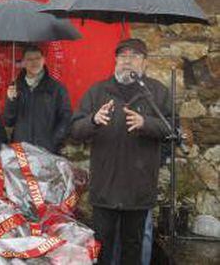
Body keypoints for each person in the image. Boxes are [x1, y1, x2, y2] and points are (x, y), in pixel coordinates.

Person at [71, 38, 171, 265]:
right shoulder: (97, 91)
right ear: (115, 60)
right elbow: (75, 130)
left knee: (132, 247)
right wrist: (93, 121)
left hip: (139, 186)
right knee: (102, 245)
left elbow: (171, 128)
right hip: (105, 186)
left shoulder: (156, 92)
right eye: (123, 56)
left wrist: (147, 123)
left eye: (135, 56)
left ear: (145, 63)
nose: (128, 61)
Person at [4, 45, 72, 154]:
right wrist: (11, 101)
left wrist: (53, 141)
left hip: (47, 151)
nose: (34, 62)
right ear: (24, 63)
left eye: (37, 58)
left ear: (43, 60)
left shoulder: (56, 89)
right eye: (30, 59)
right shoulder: (16, 87)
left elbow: (66, 118)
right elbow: (8, 120)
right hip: (21, 151)